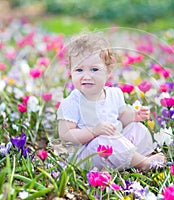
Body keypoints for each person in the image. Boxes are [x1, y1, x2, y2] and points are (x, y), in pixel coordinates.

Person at [57, 32, 166, 171]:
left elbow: (122, 117)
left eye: (94, 69)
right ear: (70, 71)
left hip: (116, 145)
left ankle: (138, 158)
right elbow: (66, 135)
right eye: (79, 70)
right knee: (105, 141)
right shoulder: (71, 103)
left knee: (137, 128)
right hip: (89, 156)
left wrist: (134, 116)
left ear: (108, 70)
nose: (86, 76)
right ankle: (143, 163)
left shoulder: (114, 94)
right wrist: (93, 131)